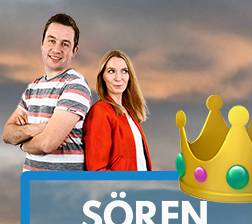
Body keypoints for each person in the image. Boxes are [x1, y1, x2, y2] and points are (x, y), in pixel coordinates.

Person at [3, 13, 89, 171]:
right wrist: (36, 128)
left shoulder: (75, 85)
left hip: (64, 190)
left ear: (74, 51)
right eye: (52, 40)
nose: (56, 49)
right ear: (42, 43)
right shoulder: (33, 87)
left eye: (65, 44)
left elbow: (47, 143)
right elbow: (7, 134)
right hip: (32, 187)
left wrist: (22, 143)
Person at [82, 48, 145, 170]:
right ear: (103, 77)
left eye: (124, 71)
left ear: (129, 76)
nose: (118, 77)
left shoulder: (129, 112)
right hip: (121, 188)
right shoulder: (100, 112)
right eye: (111, 71)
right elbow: (97, 169)